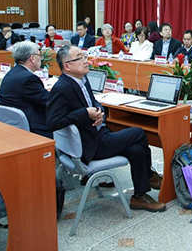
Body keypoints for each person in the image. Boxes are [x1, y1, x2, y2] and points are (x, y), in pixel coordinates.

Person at [46, 45, 166, 212]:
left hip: (98, 135)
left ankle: (139, 197)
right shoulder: (62, 88)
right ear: (67, 66)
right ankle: (149, 175)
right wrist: (84, 113)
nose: (86, 61)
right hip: (90, 146)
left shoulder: (82, 79)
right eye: (80, 58)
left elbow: (93, 101)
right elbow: (52, 122)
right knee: (138, 133)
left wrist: (99, 111)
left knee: (137, 150)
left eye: (84, 56)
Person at [0, 41, 52, 138]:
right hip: (34, 127)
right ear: (32, 58)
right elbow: (49, 101)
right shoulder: (28, 79)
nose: (41, 58)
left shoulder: (13, 72)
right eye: (39, 55)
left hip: (13, 126)